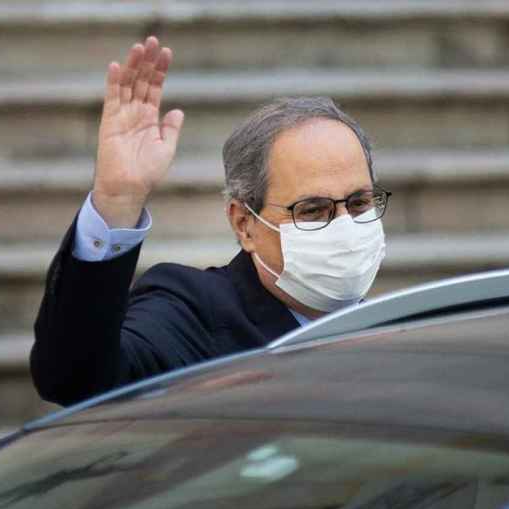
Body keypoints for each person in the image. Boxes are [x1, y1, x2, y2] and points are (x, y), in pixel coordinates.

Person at [31, 36, 390, 406]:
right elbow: (74, 378)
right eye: (312, 211)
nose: (345, 225)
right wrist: (116, 203)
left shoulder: (402, 331)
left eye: (359, 203)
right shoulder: (196, 315)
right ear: (244, 224)